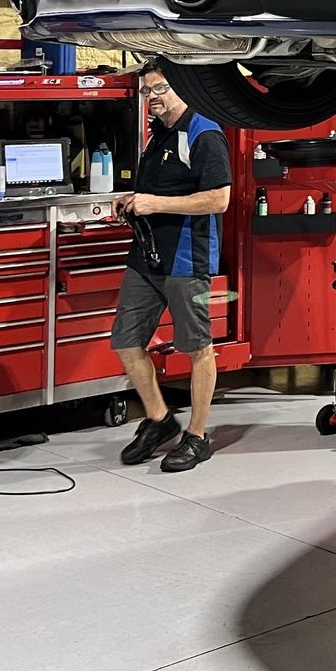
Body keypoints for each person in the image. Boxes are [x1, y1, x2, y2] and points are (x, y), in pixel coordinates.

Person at [112, 61, 231, 471]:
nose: (154, 98)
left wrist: (155, 204)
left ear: (183, 88)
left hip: (187, 258)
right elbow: (160, 186)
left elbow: (219, 199)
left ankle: (197, 437)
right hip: (146, 256)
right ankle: (160, 420)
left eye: (161, 89)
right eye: (149, 92)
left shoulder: (205, 132)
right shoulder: (158, 133)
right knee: (127, 342)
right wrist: (133, 199)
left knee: (199, 349)